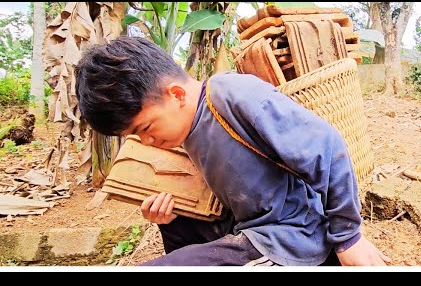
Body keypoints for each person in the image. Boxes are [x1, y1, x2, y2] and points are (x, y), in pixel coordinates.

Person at [75, 36, 390, 267]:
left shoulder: (233, 95)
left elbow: (327, 146)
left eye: (144, 128)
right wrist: (168, 217)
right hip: (248, 228)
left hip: (290, 239)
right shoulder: (183, 131)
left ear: (175, 94)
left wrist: (348, 239)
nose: (146, 141)